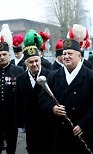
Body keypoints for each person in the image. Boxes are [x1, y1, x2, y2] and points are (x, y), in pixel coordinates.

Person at [39, 38, 93, 154]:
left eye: (70, 53)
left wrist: (83, 125)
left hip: (83, 132)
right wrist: (52, 108)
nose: (66, 56)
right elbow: (43, 98)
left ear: (79, 56)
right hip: (60, 132)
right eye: (64, 54)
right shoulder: (53, 76)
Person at [15, 30, 52, 154]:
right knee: (32, 149)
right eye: (31, 62)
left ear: (40, 59)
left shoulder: (50, 75)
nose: (34, 64)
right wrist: (20, 123)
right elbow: (18, 102)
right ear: (26, 63)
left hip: (47, 122)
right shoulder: (20, 79)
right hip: (30, 124)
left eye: (36, 61)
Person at [0, 24, 24, 154]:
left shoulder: (18, 71)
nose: (2, 57)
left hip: (12, 115)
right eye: (0, 55)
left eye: (4, 54)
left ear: (9, 54)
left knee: (11, 145)